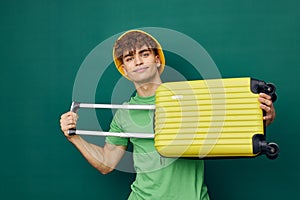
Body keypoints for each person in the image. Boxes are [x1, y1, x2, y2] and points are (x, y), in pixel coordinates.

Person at [60, 30, 276, 199]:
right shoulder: (124, 114)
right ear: (124, 70)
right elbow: (106, 164)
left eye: (144, 54)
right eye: (129, 58)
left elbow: (231, 126)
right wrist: (74, 137)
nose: (138, 61)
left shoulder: (191, 98)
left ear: (157, 60)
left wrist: (261, 116)